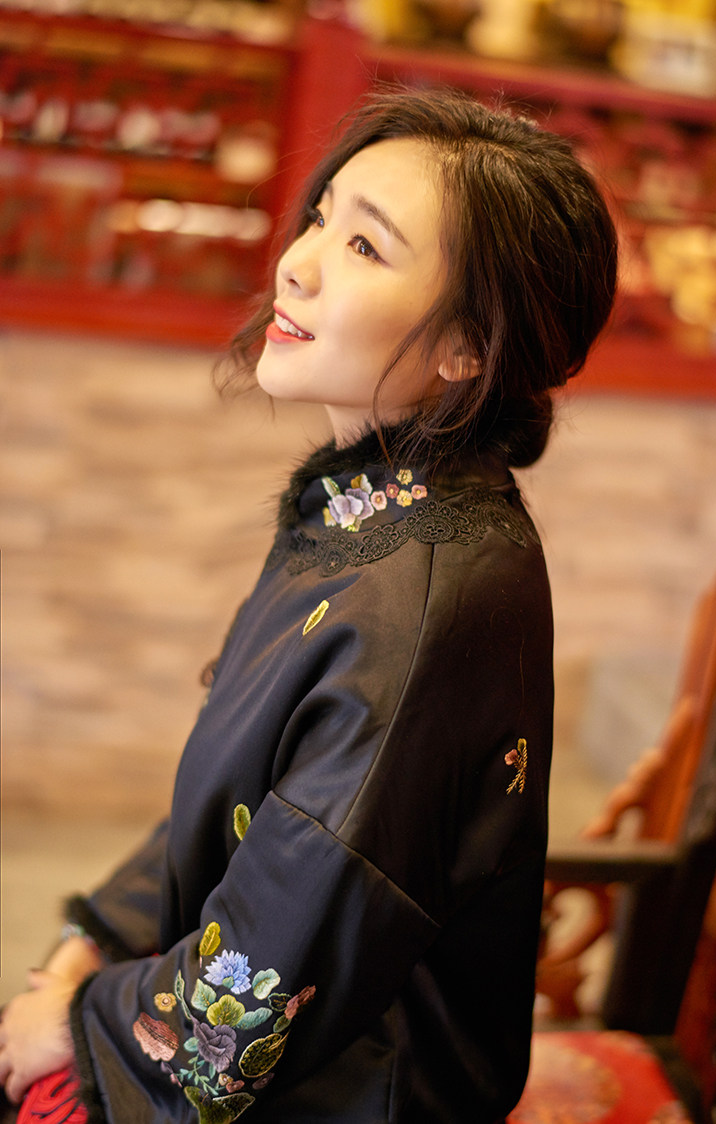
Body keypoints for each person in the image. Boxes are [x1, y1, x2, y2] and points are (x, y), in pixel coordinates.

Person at [0, 86, 618, 1123]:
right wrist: (90, 938)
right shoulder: (365, 506)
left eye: (366, 247)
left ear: (470, 347)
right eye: (323, 216)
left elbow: (243, 1014)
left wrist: (75, 1016)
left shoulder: (422, 600)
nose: (298, 260)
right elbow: (239, 807)